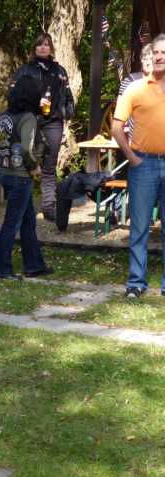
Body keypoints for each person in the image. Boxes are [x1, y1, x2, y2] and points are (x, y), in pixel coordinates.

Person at [112, 35, 165, 299]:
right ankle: (136, 282)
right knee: (140, 227)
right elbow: (116, 127)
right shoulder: (135, 88)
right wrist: (132, 158)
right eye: (156, 52)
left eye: (164, 52)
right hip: (143, 165)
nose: (159, 56)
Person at [0, 76, 53, 279]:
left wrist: (6, 155)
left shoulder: (4, 116)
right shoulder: (28, 118)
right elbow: (26, 148)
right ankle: (1, 269)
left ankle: (34, 265)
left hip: (5, 173)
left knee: (27, 222)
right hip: (20, 176)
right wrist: (34, 167)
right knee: (12, 223)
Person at [12, 33, 75, 222]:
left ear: (51, 48)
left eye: (46, 45)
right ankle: (23, 206)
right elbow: (13, 97)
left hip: (54, 121)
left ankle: (49, 207)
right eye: (39, 45)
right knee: (27, 163)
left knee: (49, 165)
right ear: (34, 48)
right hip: (30, 121)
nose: (43, 48)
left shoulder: (59, 70)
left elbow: (68, 96)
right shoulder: (24, 70)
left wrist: (67, 112)